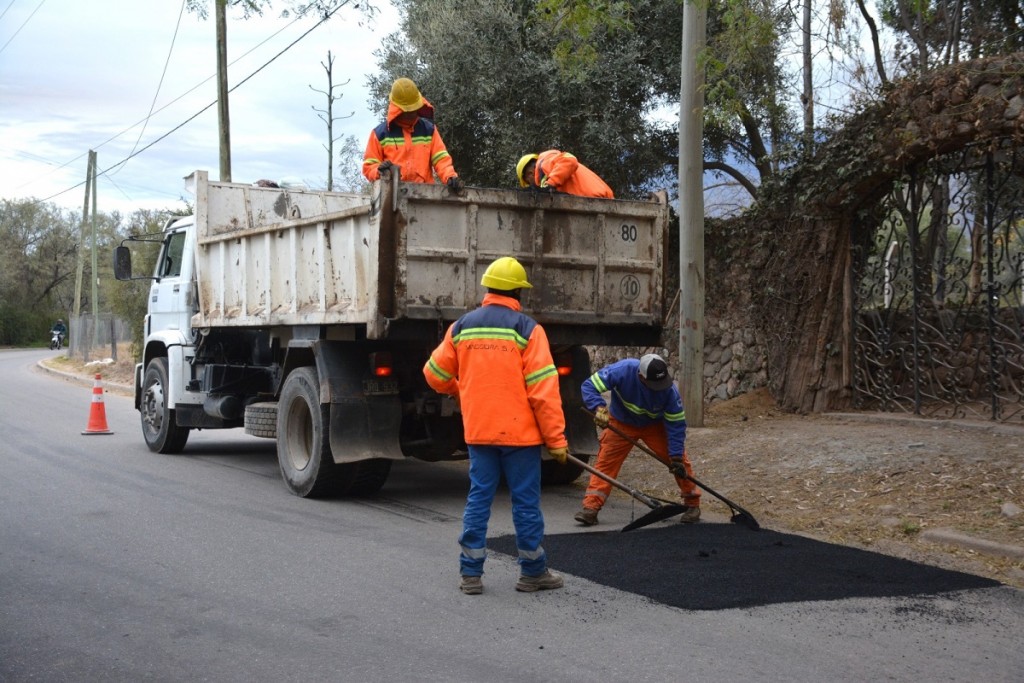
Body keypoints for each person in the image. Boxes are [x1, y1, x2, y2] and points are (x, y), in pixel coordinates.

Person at [423, 256, 567, 595]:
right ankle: (532, 573)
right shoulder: (528, 329)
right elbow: (543, 391)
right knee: (526, 503)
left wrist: (458, 388)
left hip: (479, 432)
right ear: (518, 291)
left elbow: (433, 374)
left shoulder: (461, 327)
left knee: (478, 498)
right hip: (521, 437)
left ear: (487, 287)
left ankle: (470, 575)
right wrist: (556, 439)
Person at [576, 354, 701, 526]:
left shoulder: (669, 391)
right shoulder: (622, 371)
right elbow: (589, 386)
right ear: (641, 377)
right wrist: (599, 407)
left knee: (680, 463)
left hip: (654, 427)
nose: (658, 388)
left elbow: (676, 425)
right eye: (653, 384)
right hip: (622, 422)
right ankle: (590, 508)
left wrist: (676, 455)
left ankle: (692, 504)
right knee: (606, 463)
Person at [363, 77, 464, 192]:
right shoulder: (380, 134)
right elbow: (369, 166)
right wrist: (379, 171)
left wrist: (450, 176)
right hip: (391, 197)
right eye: (408, 110)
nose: (412, 113)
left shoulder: (428, 130)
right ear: (398, 109)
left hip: (425, 196)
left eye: (414, 108)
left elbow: (441, 158)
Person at [516, 149, 614, 198]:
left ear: (530, 174)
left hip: (596, 199)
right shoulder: (550, 171)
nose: (532, 186)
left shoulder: (544, 162)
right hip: (601, 202)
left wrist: (550, 184)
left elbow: (570, 159)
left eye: (528, 183)